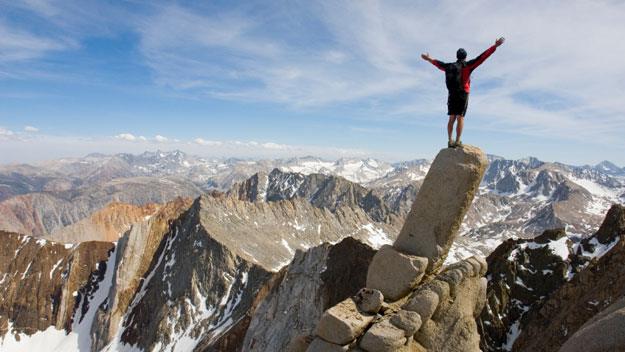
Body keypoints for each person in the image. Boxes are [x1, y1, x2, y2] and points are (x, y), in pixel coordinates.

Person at [421, 37, 505, 148]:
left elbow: (437, 64)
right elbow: (482, 57)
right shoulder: (468, 65)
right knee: (460, 117)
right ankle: (458, 141)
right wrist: (494, 46)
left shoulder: (449, 66)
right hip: (462, 94)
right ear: (465, 57)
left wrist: (428, 59)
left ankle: (450, 141)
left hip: (452, 94)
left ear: (457, 57)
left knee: (451, 118)